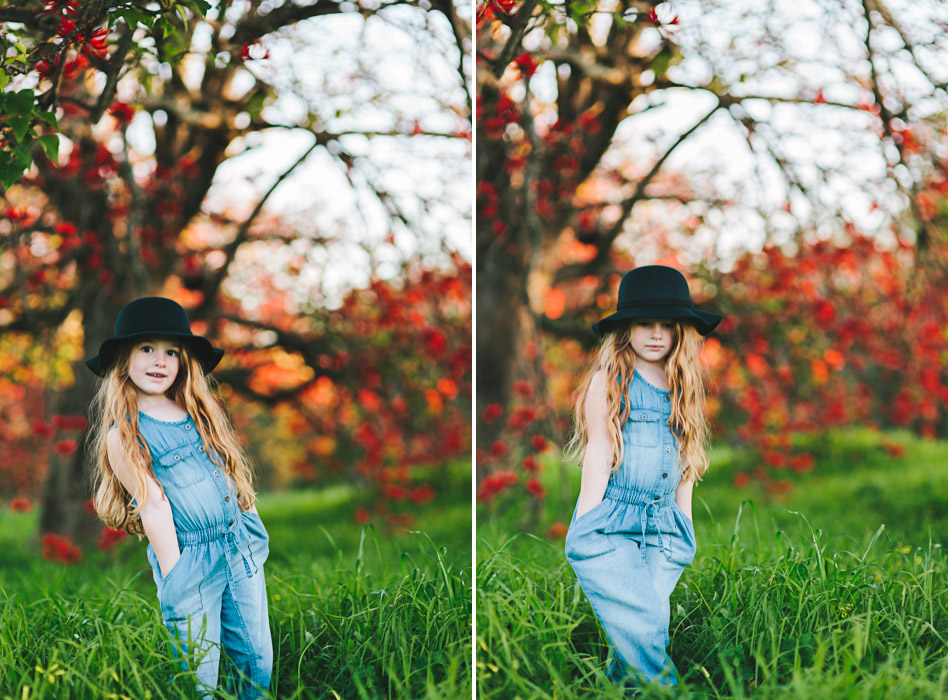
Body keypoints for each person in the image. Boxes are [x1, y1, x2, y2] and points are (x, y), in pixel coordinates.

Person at [85, 297, 272, 699]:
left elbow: (230, 473)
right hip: (189, 559)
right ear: (124, 360)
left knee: (256, 663)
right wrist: (177, 576)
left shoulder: (200, 412)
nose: (160, 360)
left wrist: (255, 528)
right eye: (147, 349)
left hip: (239, 547)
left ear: (183, 360)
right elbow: (153, 505)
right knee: (197, 674)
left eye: (171, 351)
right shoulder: (125, 434)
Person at [564, 265, 722, 690]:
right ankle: (666, 693)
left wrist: (685, 524)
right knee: (643, 623)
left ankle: (619, 691)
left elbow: (687, 458)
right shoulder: (609, 381)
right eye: (644, 323)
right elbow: (598, 452)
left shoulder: (682, 383)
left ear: (680, 332)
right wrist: (587, 524)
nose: (656, 334)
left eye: (667, 325)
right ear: (625, 329)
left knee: (641, 630)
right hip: (612, 523)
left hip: (664, 526)